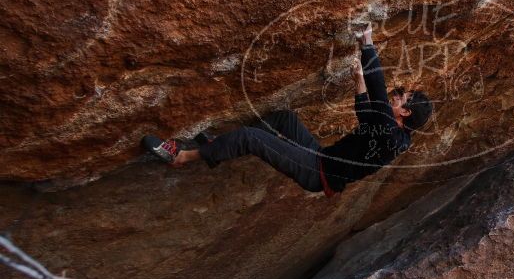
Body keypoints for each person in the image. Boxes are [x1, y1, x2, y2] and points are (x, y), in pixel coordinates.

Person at [141, 25, 432, 195]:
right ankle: (216, 148)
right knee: (284, 118)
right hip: (321, 157)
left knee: (251, 138)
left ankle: (181, 157)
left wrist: (367, 40)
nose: (394, 96)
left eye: (400, 97)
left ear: (405, 113)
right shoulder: (391, 132)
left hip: (316, 173)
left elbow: (377, 89)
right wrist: (358, 80)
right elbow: (367, 115)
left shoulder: (392, 136)